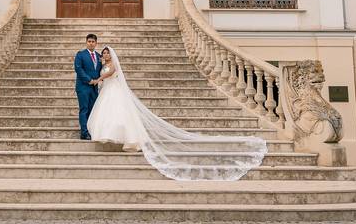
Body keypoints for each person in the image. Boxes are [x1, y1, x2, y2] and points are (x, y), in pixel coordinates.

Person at [86, 45, 268, 181]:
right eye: (104, 54)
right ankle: (109, 136)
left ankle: (126, 139)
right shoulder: (103, 63)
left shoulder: (113, 65)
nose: (105, 55)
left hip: (114, 90)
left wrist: (98, 79)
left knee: (117, 113)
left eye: (107, 53)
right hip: (107, 92)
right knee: (110, 114)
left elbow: (110, 74)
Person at [73, 33, 103, 140]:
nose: (91, 43)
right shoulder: (80, 54)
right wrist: (89, 80)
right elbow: (78, 69)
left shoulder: (99, 56)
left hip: (94, 87)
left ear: (96, 43)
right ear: (86, 42)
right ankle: (84, 132)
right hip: (83, 87)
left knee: (92, 109)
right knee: (84, 109)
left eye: (93, 42)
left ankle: (91, 130)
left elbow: (101, 70)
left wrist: (101, 79)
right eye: (89, 41)